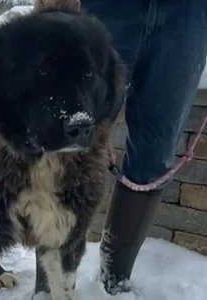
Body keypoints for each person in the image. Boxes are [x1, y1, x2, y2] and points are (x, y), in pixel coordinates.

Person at [80, 0, 207, 295]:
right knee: (69, 152)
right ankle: (50, 287)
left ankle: (114, 281)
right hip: (104, 8)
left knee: (154, 158)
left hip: (188, 14)